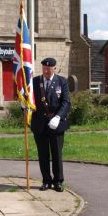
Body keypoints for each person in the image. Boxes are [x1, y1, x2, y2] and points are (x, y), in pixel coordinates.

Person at [31, 57, 71, 192]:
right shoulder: (35, 81)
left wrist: (58, 117)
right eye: (44, 68)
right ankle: (46, 180)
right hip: (39, 124)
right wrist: (24, 104)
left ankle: (58, 181)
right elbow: (30, 99)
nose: (46, 71)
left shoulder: (62, 81)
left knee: (56, 154)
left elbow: (66, 102)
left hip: (57, 124)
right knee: (43, 154)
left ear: (54, 68)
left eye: (48, 68)